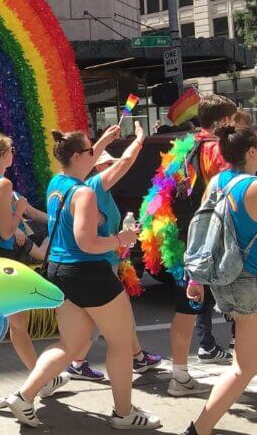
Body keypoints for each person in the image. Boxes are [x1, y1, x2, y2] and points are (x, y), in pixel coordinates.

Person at [4, 130, 160, 429]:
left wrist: (102, 141)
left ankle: (24, 396)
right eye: (91, 151)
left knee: (71, 343)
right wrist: (119, 239)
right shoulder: (84, 193)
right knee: (121, 341)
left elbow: (85, 160)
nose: (95, 155)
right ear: (77, 156)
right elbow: (87, 242)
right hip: (88, 272)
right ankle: (124, 414)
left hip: (59, 271)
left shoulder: (56, 183)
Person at [0, 134, 64, 412]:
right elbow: (7, 231)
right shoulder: (3, 185)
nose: (13, 153)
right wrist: (17, 212)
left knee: (17, 323)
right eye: (12, 150)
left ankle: (42, 380)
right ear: (4, 154)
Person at [65, 126, 162, 382]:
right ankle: (77, 364)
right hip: (95, 263)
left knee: (107, 317)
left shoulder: (87, 187)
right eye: (103, 163)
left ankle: (137, 356)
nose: (108, 167)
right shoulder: (93, 186)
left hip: (99, 261)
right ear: (94, 166)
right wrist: (139, 139)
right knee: (105, 320)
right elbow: (127, 161)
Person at [182, 125, 257, 435]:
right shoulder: (252, 187)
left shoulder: (218, 181)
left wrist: (194, 278)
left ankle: (200, 429)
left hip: (225, 279)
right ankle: (199, 429)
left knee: (244, 365)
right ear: (252, 152)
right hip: (250, 283)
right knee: (244, 368)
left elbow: (201, 230)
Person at [166, 95, 238, 398]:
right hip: (216, 240)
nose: (234, 124)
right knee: (240, 307)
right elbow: (231, 194)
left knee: (187, 308)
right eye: (232, 119)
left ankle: (179, 374)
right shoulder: (219, 151)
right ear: (222, 121)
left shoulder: (186, 149)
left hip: (189, 236)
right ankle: (241, 372)